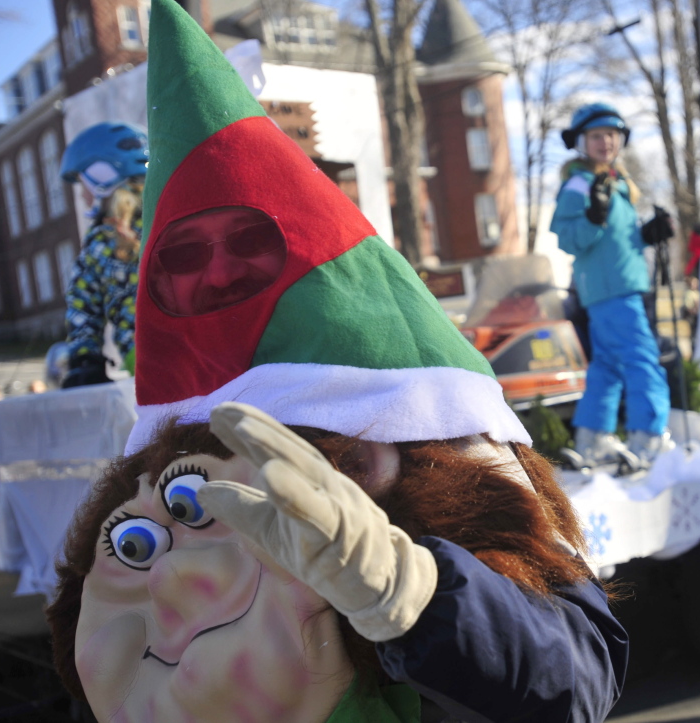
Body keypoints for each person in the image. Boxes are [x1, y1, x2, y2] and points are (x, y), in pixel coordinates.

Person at [45, 2, 629, 721]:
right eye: (189, 254)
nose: (221, 275)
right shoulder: (153, 499)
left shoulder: (446, 469)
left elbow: (574, 681)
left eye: (247, 244)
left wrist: (417, 597)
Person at [550, 102, 674, 467]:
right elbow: (568, 238)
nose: (605, 142)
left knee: (607, 364)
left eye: (611, 134)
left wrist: (648, 235)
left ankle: (593, 439)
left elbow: (616, 239)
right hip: (613, 290)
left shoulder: (618, 183)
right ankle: (650, 438)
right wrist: (592, 216)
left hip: (616, 286)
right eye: (596, 135)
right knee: (641, 359)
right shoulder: (579, 184)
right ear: (581, 142)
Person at [59, 121, 148, 387]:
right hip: (206, 348)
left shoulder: (101, 241)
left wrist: (85, 358)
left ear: (102, 177)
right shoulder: (170, 219)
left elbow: (82, 303)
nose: (83, 197)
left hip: (145, 359)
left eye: (82, 185)